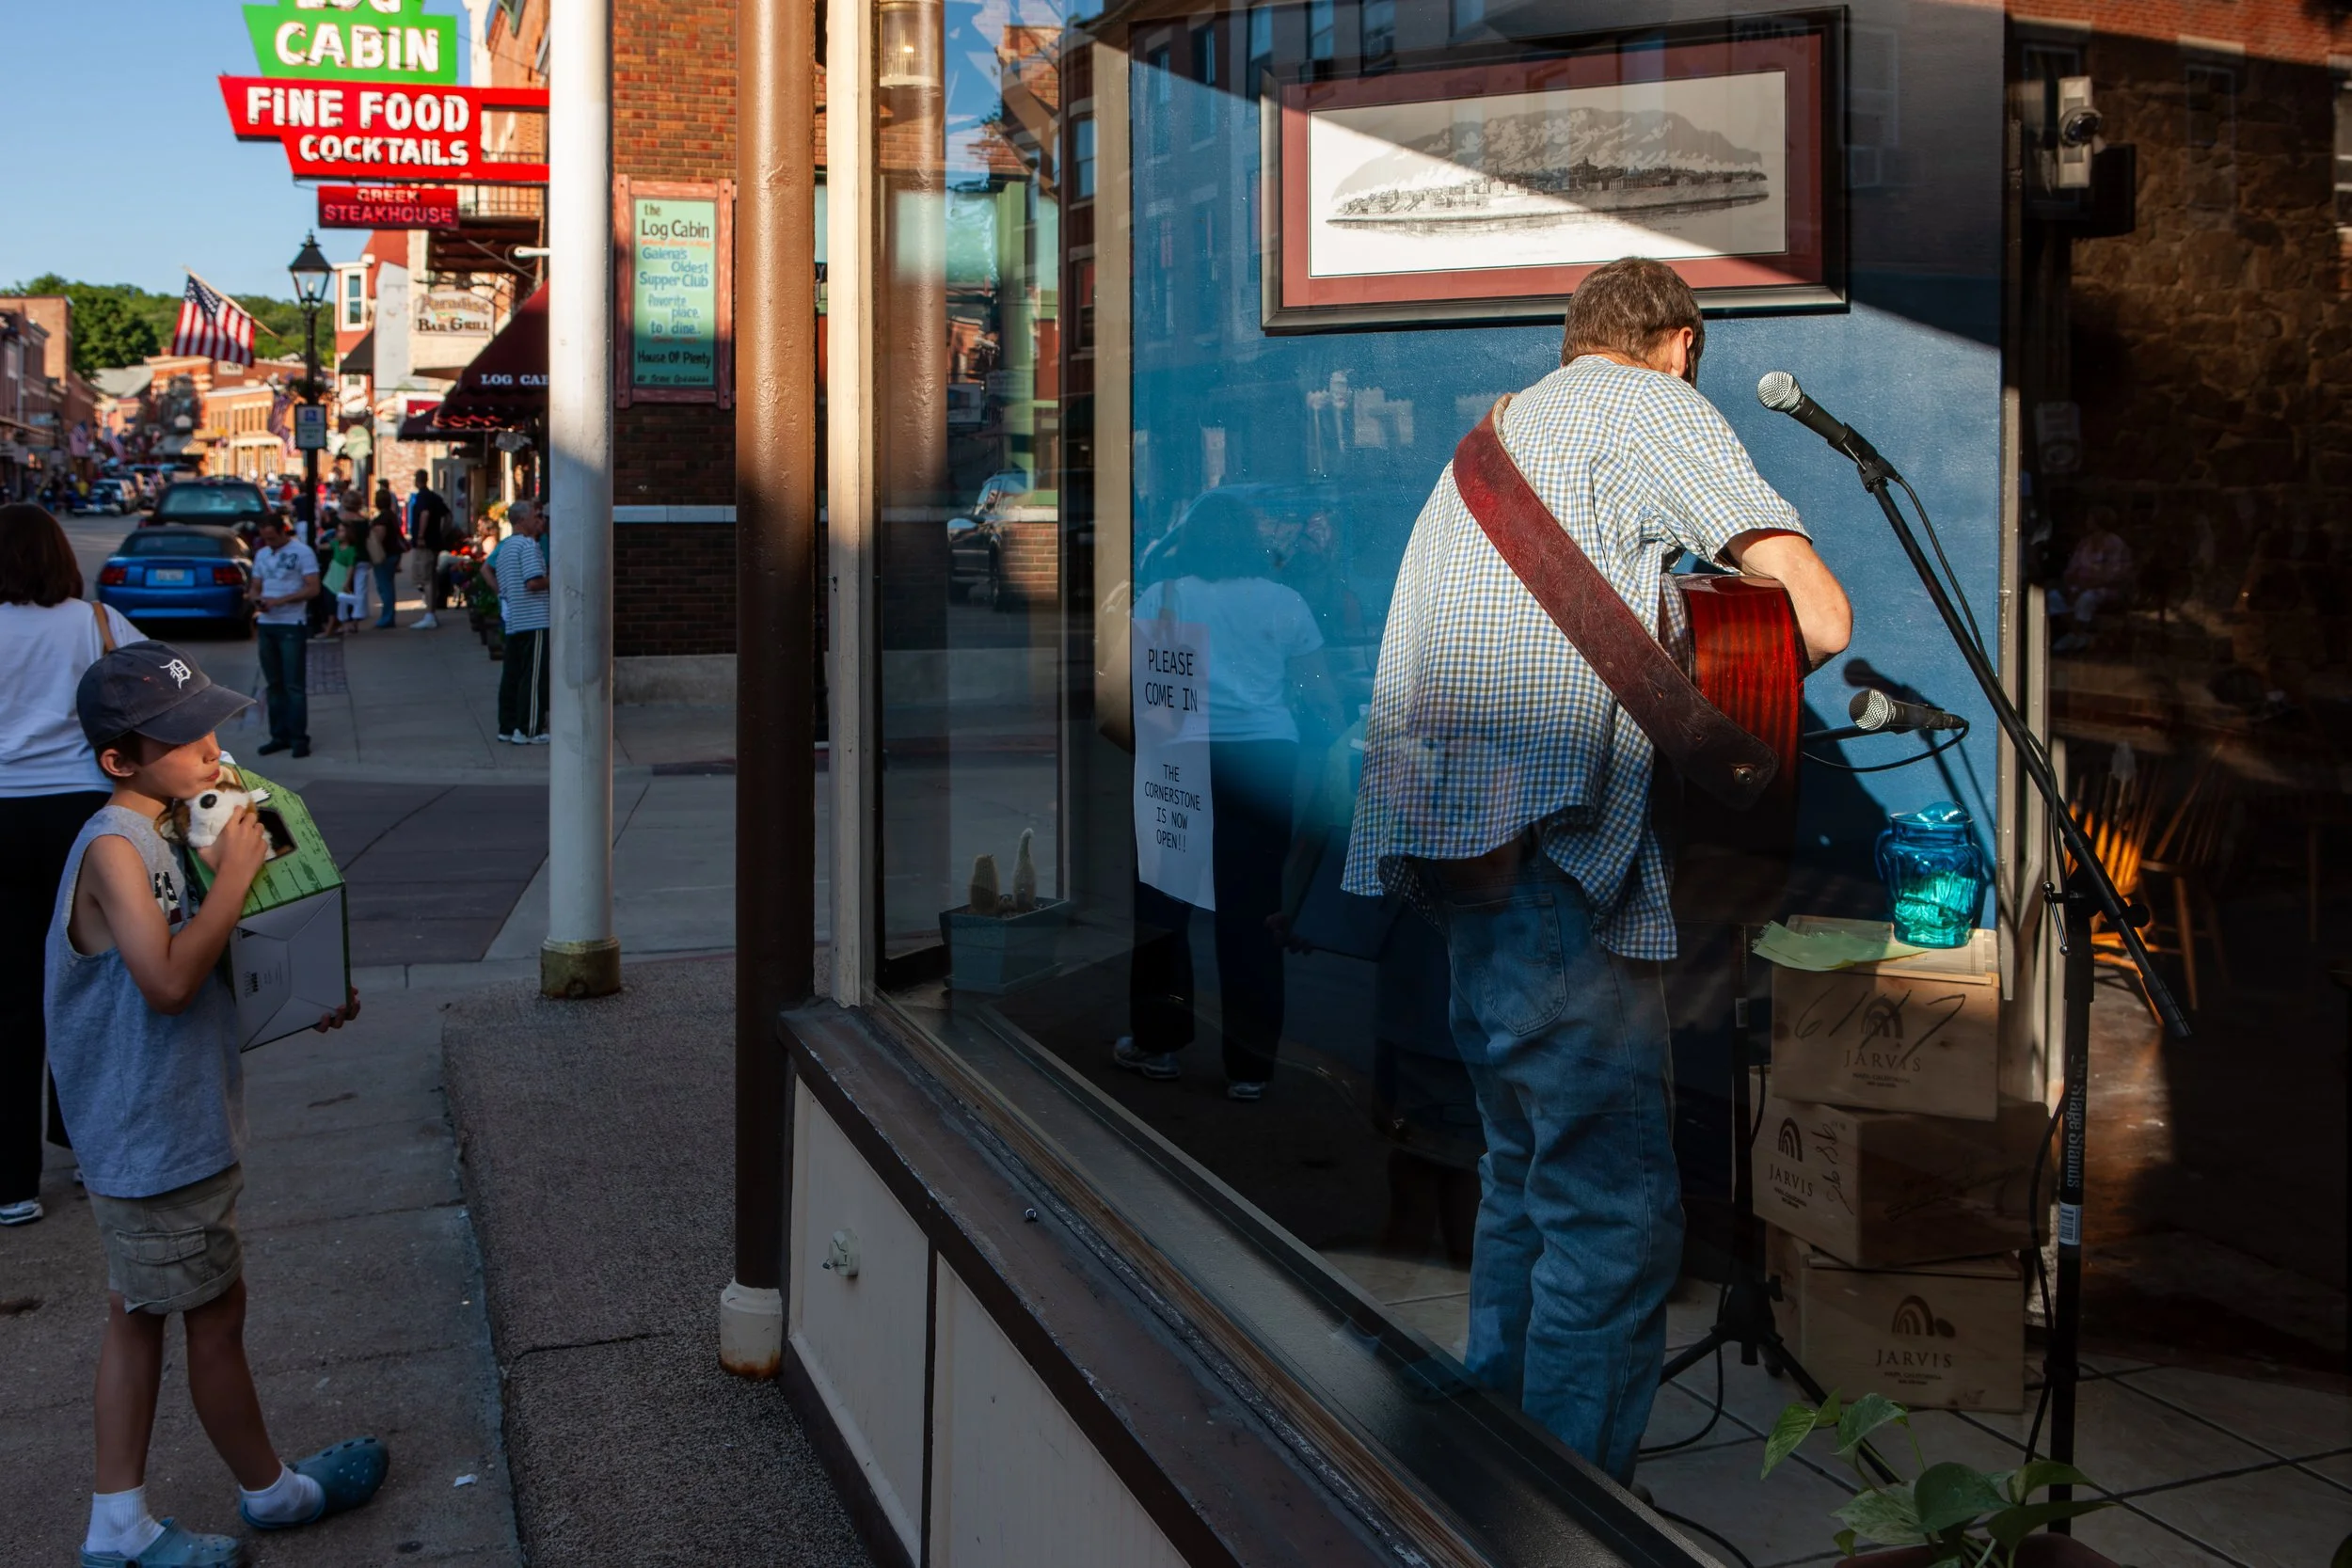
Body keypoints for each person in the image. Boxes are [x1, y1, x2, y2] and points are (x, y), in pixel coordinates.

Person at [1343, 258, 1852, 1483]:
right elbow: (1821, 617)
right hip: (1557, 862)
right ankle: (1567, 1515)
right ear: (1679, 343)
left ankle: (1500, 1447)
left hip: (1460, 854)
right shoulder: (1649, 405)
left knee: (1525, 1166)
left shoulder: (1497, 436)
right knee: (1614, 1215)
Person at [49, 640, 377, 1564]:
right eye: (182, 737)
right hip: (152, 1132)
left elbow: (213, 957)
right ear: (121, 759)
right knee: (212, 1311)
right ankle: (266, 1493)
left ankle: (128, 1518)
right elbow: (164, 982)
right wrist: (232, 876)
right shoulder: (118, 844)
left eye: (211, 725)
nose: (209, 748)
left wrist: (301, 988)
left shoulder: (174, 826)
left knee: (142, 1308)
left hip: (163, 1121)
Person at [1115, 491, 1339, 1100]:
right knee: (1253, 911)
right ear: (1250, 542)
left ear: (1190, 542)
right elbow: (1318, 693)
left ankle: (1158, 1044)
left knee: (1165, 906)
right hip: (1264, 755)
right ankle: (1250, 1067)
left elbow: (1150, 696)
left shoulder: (1163, 597)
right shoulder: (1284, 602)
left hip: (1182, 753)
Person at [0, 503, 139, 1227]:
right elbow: (162, 693)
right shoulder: (98, 625)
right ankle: (85, 1146)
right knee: (88, 984)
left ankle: (13, 1179)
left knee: (11, 997)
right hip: (82, 819)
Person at [248, 515, 320, 759]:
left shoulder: (302, 552)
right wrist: (256, 598)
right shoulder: (262, 554)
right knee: (274, 684)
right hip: (268, 623)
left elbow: (313, 587)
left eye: (273, 537)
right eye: (265, 538)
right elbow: (256, 585)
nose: (270, 542)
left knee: (293, 684)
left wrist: (281, 601)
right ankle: (278, 735)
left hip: (291, 622)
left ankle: (299, 737)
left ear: (283, 531)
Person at [482, 499, 550, 744]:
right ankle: (530, 728)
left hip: (515, 620)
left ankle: (508, 726)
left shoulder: (506, 547)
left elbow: (495, 576)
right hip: (535, 619)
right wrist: (556, 579)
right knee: (533, 676)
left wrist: (504, 594)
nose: (539, 520)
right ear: (521, 520)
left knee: (512, 674)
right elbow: (533, 582)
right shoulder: (528, 546)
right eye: (535, 515)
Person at [403, 468, 453, 628]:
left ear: (417, 480)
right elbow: (448, 516)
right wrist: (443, 533)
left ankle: (430, 614)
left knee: (426, 577)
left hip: (426, 543)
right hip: (435, 541)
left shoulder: (423, 497)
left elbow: (424, 515)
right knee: (430, 575)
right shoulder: (435, 497)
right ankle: (430, 612)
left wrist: (421, 536)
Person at [367, 482, 404, 630]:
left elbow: (379, 538)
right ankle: (389, 616)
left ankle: (387, 618)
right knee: (388, 587)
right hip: (393, 554)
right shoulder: (392, 516)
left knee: (385, 587)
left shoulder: (382, 519)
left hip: (384, 556)